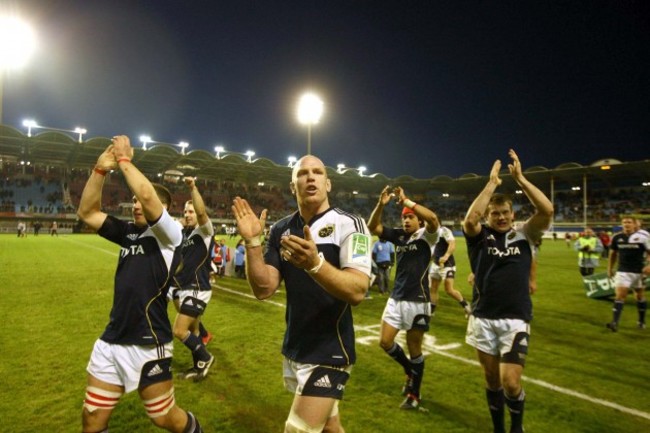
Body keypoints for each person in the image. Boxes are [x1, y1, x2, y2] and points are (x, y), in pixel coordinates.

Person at [232, 154, 372, 433]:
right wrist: (252, 242)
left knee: (297, 429)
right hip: (296, 345)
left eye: (318, 172)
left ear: (328, 184)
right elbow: (264, 288)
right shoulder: (282, 229)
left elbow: (357, 290)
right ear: (292, 186)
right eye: (303, 173)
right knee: (331, 427)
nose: (310, 177)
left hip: (330, 349)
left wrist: (316, 264)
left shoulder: (350, 224)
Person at [76, 136, 202, 433]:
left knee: (164, 418)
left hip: (149, 342)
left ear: (166, 208)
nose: (135, 204)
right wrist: (99, 171)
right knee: (92, 418)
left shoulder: (170, 235)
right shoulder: (128, 232)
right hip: (111, 340)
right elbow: (88, 213)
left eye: (138, 200)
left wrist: (124, 161)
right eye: (131, 200)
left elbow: (147, 197)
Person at [462, 149, 553, 433]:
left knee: (511, 383)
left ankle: (517, 428)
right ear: (489, 215)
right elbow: (469, 221)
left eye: (504, 213)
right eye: (495, 213)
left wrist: (521, 179)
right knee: (492, 381)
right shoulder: (480, 237)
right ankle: (498, 428)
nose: (500, 217)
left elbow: (547, 210)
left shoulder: (525, 234)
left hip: (515, 319)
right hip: (483, 318)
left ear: (513, 214)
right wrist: (491, 184)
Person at [367, 185, 440, 410]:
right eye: (404, 218)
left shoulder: (427, 237)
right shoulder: (398, 236)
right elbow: (373, 227)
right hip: (396, 298)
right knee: (385, 342)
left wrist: (407, 202)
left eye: (411, 218)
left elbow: (434, 219)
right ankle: (409, 370)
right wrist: (381, 204)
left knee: (415, 348)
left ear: (418, 221)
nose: (407, 221)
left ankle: (414, 395)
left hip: (418, 301)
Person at [169, 177, 215, 381]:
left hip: (198, 288)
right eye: (185, 212)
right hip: (186, 287)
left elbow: (202, 212)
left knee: (179, 330)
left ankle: (205, 357)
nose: (188, 215)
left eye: (191, 212)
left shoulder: (204, 231)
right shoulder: (186, 235)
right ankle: (199, 367)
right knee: (192, 329)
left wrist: (193, 188)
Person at [605, 216, 650, 331]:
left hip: (639, 271)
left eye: (629, 222)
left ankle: (641, 321)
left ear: (635, 224)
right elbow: (612, 254)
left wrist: (649, 266)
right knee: (620, 296)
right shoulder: (617, 237)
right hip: (622, 271)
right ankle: (614, 322)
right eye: (624, 222)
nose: (626, 224)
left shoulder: (643, 237)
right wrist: (609, 268)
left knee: (639, 296)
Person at [428, 225, 471, 317]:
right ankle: (431, 311)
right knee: (433, 288)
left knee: (449, 290)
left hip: (447, 265)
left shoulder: (443, 230)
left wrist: (446, 256)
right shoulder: (429, 234)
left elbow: (452, 243)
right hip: (435, 265)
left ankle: (466, 305)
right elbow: (433, 249)